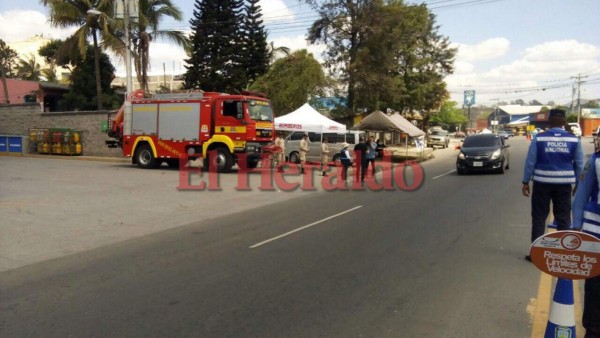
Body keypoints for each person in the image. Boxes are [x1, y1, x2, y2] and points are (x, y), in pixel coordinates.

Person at [522, 108, 584, 260]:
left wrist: (525, 181)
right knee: (563, 218)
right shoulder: (573, 139)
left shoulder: (539, 138)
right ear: (564, 122)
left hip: (542, 183)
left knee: (539, 217)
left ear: (549, 121)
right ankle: (562, 254)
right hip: (564, 185)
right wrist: (578, 183)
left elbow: (531, 162)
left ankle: (535, 253)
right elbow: (580, 165)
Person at [571, 152, 600, 338]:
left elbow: (581, 197)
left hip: (595, 236)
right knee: (595, 289)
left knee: (595, 290)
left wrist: (578, 227)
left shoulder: (595, 161)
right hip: (596, 239)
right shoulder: (595, 161)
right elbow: (581, 197)